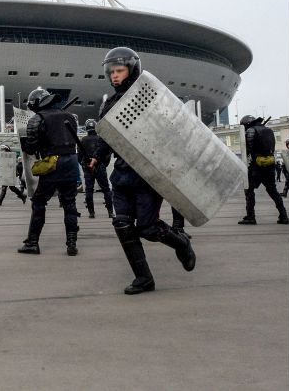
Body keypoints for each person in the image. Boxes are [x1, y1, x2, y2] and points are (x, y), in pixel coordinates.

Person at [88, 47, 195, 294]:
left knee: (147, 228)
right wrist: (96, 158)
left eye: (120, 70)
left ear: (132, 69)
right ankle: (144, 278)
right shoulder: (110, 103)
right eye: (111, 72)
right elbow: (106, 137)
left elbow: (173, 130)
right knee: (123, 225)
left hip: (148, 174)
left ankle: (181, 244)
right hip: (122, 174)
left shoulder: (149, 96)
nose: (114, 76)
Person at [17, 88, 81, 256]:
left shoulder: (37, 119)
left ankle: (32, 242)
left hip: (52, 163)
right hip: (72, 162)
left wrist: (26, 144)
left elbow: (32, 147)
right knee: (70, 204)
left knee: (39, 202)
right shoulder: (70, 117)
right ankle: (72, 243)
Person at [237, 116, 288, 224]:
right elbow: (272, 148)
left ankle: (251, 216)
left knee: (249, 190)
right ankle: (284, 216)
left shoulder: (251, 130)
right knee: (273, 191)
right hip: (269, 163)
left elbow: (248, 150)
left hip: (257, 166)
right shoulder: (268, 130)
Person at [78, 119, 114, 219]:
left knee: (89, 190)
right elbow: (107, 153)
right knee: (106, 189)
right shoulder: (100, 139)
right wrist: (103, 164)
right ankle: (110, 212)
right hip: (100, 166)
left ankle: (91, 212)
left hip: (87, 167)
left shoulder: (82, 140)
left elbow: (79, 156)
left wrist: (84, 165)